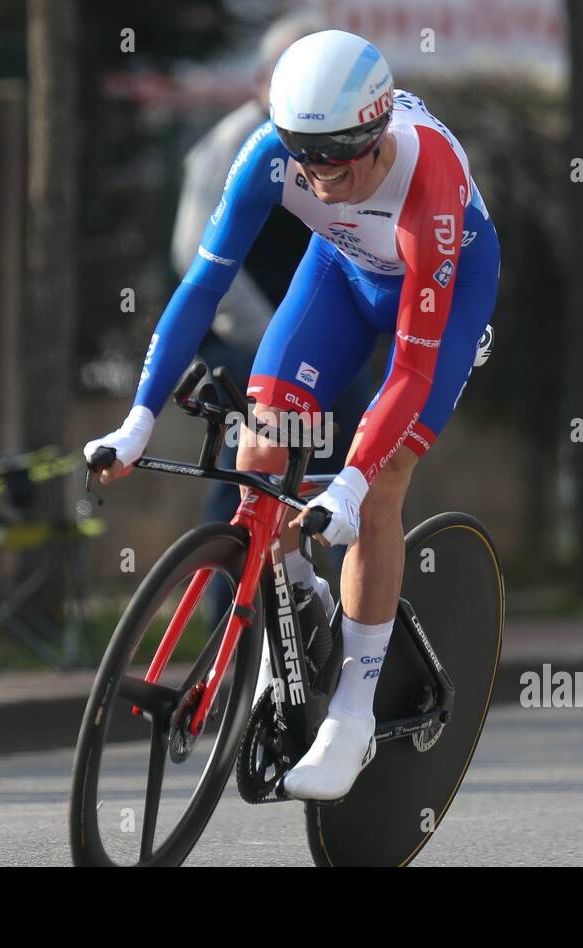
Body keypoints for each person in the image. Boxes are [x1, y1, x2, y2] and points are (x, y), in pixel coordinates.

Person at [86, 30, 500, 800]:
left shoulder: (428, 179)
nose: (317, 179)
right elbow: (201, 288)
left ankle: (352, 712)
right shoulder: (268, 155)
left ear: (375, 140)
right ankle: (296, 596)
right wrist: (138, 420)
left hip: (441, 289)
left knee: (379, 487)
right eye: (302, 161)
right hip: (341, 271)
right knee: (260, 445)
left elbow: (408, 369)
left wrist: (347, 483)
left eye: (335, 165)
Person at [171, 13, 375, 622]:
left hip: (332, 344)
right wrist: (276, 338)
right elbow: (196, 256)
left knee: (344, 484)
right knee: (250, 486)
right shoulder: (234, 144)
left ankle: (334, 630)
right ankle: (228, 631)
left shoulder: (339, 143)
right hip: (255, 345)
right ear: (265, 79)